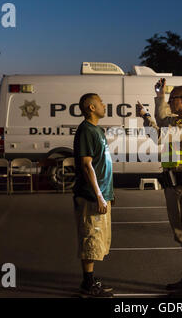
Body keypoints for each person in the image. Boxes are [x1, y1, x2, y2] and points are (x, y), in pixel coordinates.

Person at [137, 79, 182, 297]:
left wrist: (158, 100)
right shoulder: (179, 122)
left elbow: (164, 126)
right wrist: (146, 117)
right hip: (177, 183)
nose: (169, 102)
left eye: (172, 99)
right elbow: (160, 135)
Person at [73, 93, 114, 297]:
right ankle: (87, 285)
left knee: (98, 240)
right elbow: (87, 164)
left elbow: (101, 163)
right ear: (91, 107)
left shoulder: (97, 130)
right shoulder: (86, 131)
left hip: (101, 194)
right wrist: (98, 195)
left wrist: (108, 193)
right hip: (90, 196)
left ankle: (90, 280)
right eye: (100, 102)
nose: (104, 105)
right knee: (90, 238)